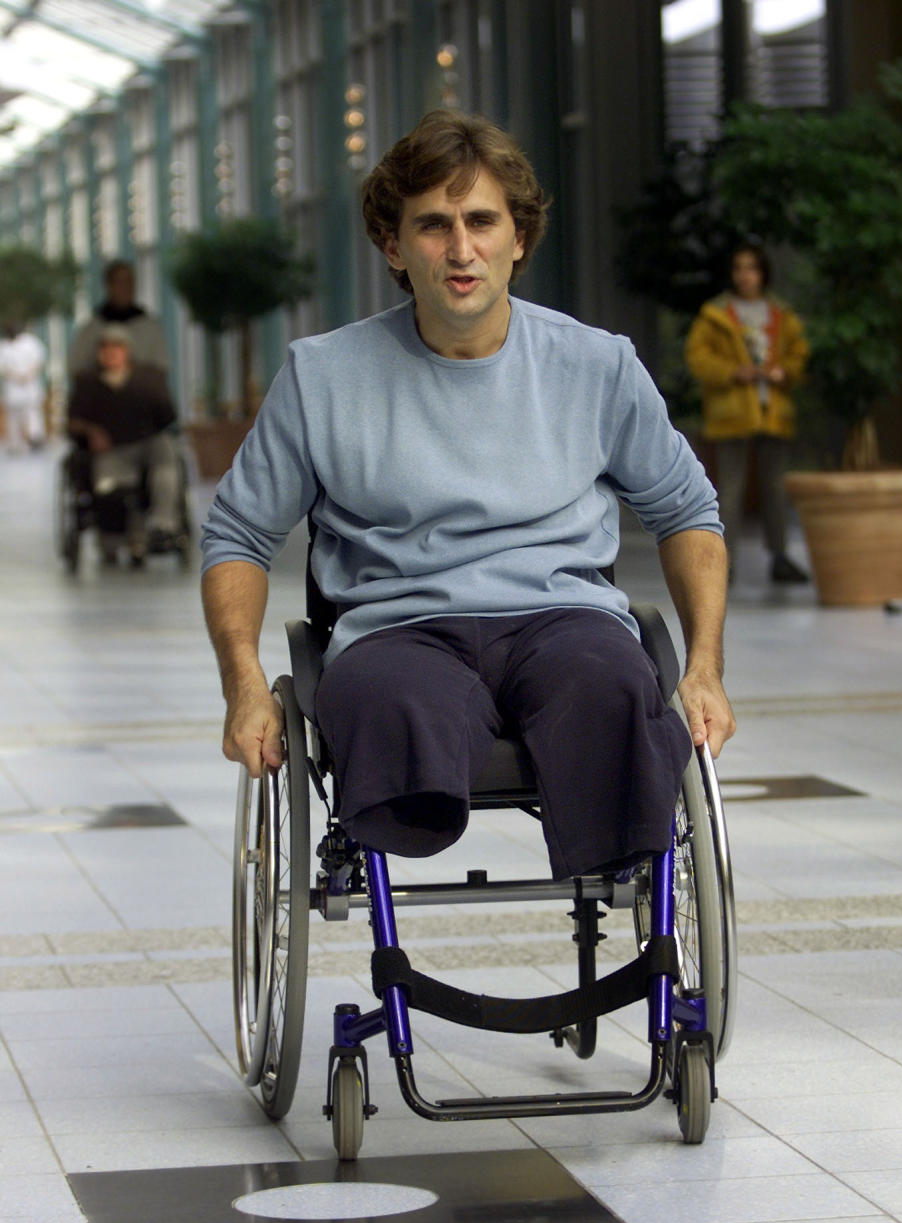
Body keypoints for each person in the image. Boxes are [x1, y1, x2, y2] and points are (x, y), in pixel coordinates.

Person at [201, 110, 735, 882]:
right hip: (399, 629)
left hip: (564, 618)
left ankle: (622, 865)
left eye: (482, 221)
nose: (460, 249)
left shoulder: (598, 366)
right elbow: (239, 537)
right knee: (386, 702)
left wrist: (706, 667)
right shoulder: (322, 376)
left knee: (617, 684)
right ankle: (402, 828)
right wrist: (244, 685)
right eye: (432, 226)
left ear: (518, 237)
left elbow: (688, 510)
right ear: (393, 245)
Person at [685, 242, 810, 584]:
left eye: (752, 268)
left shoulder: (780, 313)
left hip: (773, 408)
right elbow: (698, 357)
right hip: (733, 410)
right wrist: (731, 372)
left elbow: (798, 354)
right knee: (729, 488)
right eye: (739, 267)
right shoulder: (717, 313)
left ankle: (780, 555)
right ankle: (725, 560)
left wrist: (784, 371)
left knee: (774, 487)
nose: (745, 275)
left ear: (763, 272)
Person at [67, 325, 180, 563]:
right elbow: (71, 422)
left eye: (117, 348)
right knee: (110, 488)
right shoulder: (87, 382)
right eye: (105, 348)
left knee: (165, 452)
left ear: (127, 351)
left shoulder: (148, 377)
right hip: (111, 448)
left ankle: (163, 524)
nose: (111, 353)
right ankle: (117, 536)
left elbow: (168, 415)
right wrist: (91, 431)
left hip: (146, 443)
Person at [68, 259, 169, 381]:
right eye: (119, 282)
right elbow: (77, 368)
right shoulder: (93, 328)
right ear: (109, 285)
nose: (124, 287)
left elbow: (161, 367)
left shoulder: (149, 327)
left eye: (128, 282)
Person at [0, 324, 46, 452]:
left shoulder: (30, 342)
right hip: (13, 387)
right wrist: (16, 376)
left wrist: (28, 374)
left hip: (29, 385)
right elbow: (3, 367)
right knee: (14, 417)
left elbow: (39, 360)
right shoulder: (4, 346)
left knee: (33, 414)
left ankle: (36, 439)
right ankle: (15, 444)